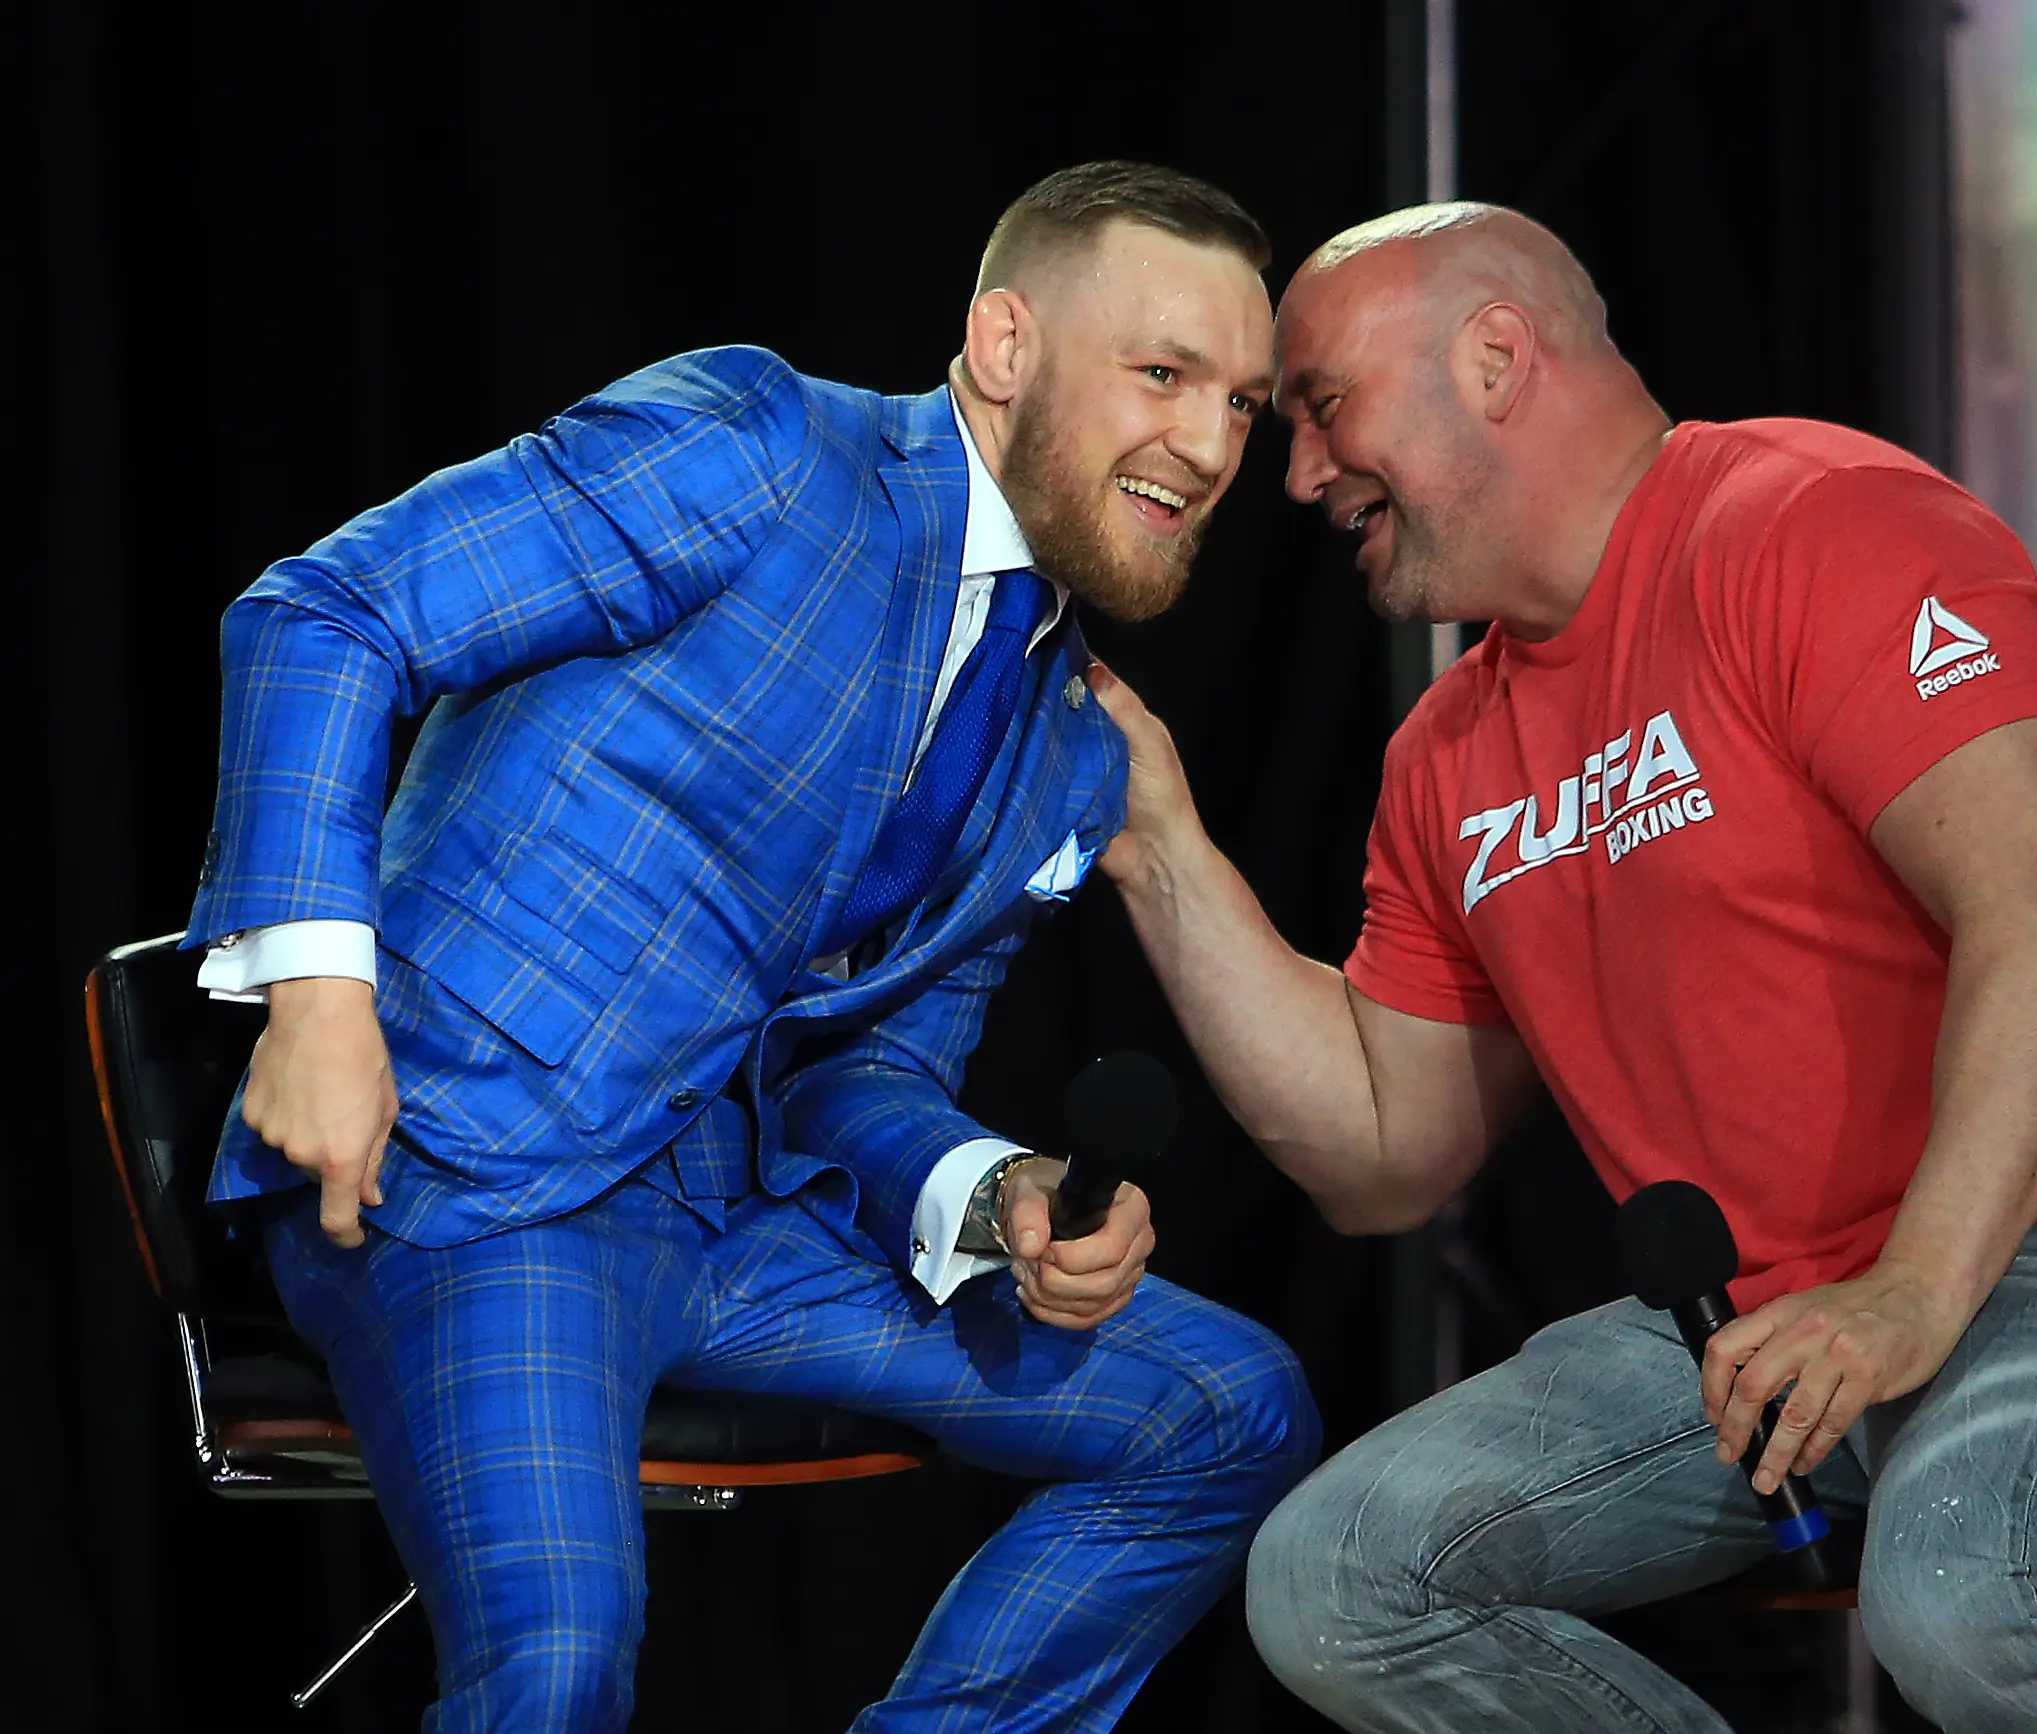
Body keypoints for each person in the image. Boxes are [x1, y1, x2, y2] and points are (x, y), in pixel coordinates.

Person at [1091, 202, 2037, 1733]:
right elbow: (1384, 1149)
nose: (1300, 471)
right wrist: (1159, 847)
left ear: (1497, 355)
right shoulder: (1448, 752)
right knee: (1344, 1575)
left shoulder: (1812, 523)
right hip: (1764, 1327)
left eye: (1320, 404)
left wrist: (1909, 1292)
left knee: (1960, 1585)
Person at [182, 160, 1317, 1734]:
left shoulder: (1069, 752)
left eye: (1246, 406)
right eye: (1165, 374)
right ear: (1003, 346)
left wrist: (994, 1194)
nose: (1206, 446)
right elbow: (327, 613)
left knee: (1229, 1407)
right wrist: (319, 999)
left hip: (731, 1230)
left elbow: (868, 1070)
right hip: (475, 1182)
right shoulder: (764, 447)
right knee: (562, 1655)